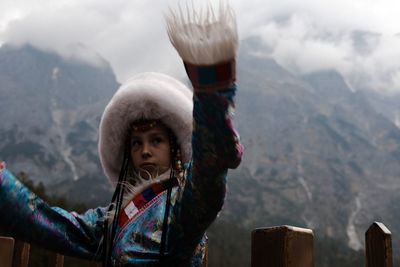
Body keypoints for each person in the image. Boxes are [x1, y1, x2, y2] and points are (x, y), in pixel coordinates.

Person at [0, 3, 243, 266]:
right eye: (136, 143)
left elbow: (210, 170)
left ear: (175, 147)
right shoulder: (114, 219)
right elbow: (50, 223)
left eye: (156, 140)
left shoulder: (184, 206)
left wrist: (211, 92)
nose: (145, 150)